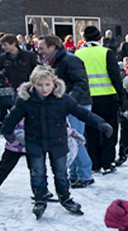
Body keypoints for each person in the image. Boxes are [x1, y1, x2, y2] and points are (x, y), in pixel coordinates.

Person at [0, 65, 111, 218]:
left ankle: (65, 197)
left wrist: (100, 123)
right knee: (37, 172)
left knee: (60, 173)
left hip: (58, 142)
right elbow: (13, 116)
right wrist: (7, 131)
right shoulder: (25, 100)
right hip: (35, 142)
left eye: (47, 84)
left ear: (54, 83)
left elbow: (81, 112)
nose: (44, 88)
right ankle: (40, 198)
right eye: (39, 85)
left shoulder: (63, 99)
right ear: (33, 84)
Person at [38, 35, 95, 188]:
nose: (39, 51)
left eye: (41, 48)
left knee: (75, 138)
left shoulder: (69, 60)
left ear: (52, 47)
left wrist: (70, 102)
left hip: (77, 105)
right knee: (68, 138)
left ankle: (84, 174)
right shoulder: (52, 62)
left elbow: (81, 82)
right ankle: (75, 172)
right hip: (66, 105)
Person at [76, 26, 125, 174]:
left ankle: (94, 163)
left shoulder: (78, 53)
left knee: (91, 132)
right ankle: (107, 162)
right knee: (109, 131)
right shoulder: (106, 52)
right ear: (100, 39)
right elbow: (115, 76)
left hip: (86, 99)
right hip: (107, 97)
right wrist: (122, 96)